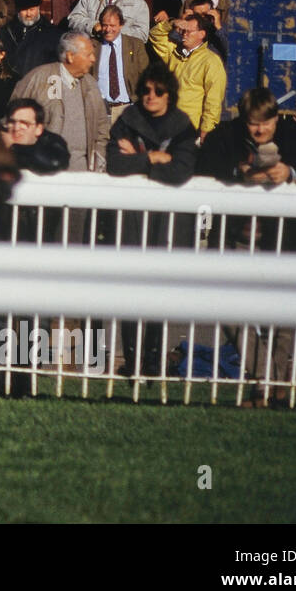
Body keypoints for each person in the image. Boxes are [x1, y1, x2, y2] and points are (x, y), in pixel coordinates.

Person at [197, 87, 296, 404]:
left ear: (277, 118)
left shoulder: (295, 133)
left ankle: (264, 389)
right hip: (236, 241)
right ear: (243, 120)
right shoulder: (226, 135)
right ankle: (268, 380)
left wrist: (291, 172)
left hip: (283, 241)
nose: (260, 130)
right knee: (228, 310)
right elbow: (203, 167)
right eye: (252, 123)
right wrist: (238, 174)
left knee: (282, 320)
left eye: (266, 123)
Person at [106, 62, 198, 373]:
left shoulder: (183, 125)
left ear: (169, 94)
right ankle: (132, 363)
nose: (151, 96)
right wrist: (152, 158)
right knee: (131, 293)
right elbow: (115, 164)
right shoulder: (127, 120)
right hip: (133, 217)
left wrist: (138, 159)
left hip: (168, 220)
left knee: (159, 293)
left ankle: (154, 363)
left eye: (158, 91)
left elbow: (181, 170)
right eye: (145, 91)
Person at [10, 31, 108, 172]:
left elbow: (102, 128)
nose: (93, 59)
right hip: (43, 173)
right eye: (88, 55)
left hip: (83, 174)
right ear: (70, 56)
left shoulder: (91, 85)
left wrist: (99, 159)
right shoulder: (38, 78)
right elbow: (12, 119)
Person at [148, 11, 226, 138]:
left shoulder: (211, 61)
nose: (185, 34)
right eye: (183, 30)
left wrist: (207, 128)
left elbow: (214, 100)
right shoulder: (175, 53)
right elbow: (155, 36)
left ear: (202, 34)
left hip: (190, 129)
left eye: (189, 31)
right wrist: (172, 23)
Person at [90, 4, 150, 125]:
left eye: (112, 25)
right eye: (104, 25)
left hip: (127, 109)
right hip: (99, 110)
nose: (108, 29)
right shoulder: (92, 45)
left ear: (121, 25)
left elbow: (146, 77)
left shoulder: (135, 45)